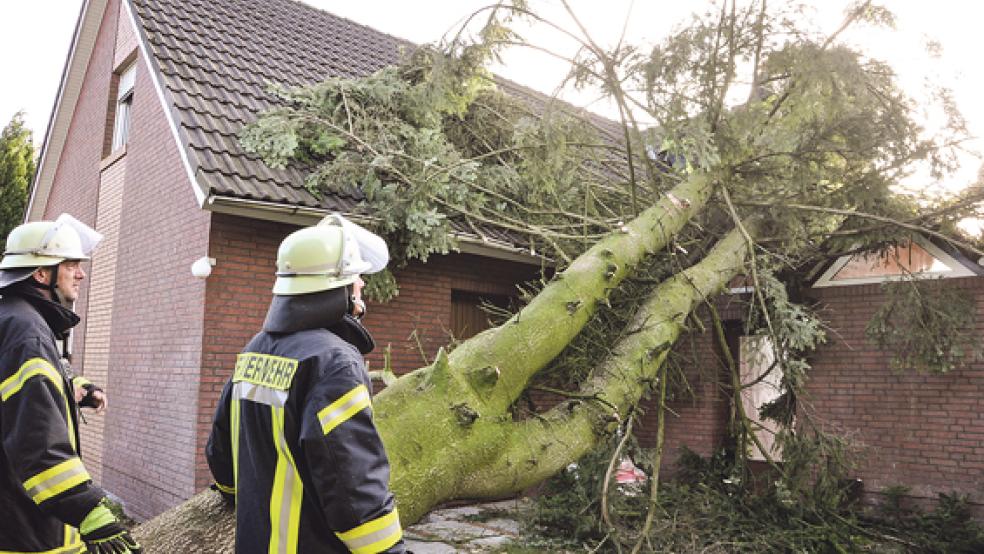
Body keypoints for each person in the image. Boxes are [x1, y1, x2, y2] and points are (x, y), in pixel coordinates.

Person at [207, 214, 406, 554]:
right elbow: (351, 485)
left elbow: (220, 454)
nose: (361, 286)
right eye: (356, 277)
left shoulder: (254, 349)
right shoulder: (335, 363)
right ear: (337, 285)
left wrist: (232, 492)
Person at [0, 214, 141, 554]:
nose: (81, 274)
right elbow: (37, 439)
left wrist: (77, 386)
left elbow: (28, 390)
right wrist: (88, 511)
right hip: (28, 533)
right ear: (41, 273)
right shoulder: (28, 335)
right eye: (72, 265)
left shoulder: (12, 318)